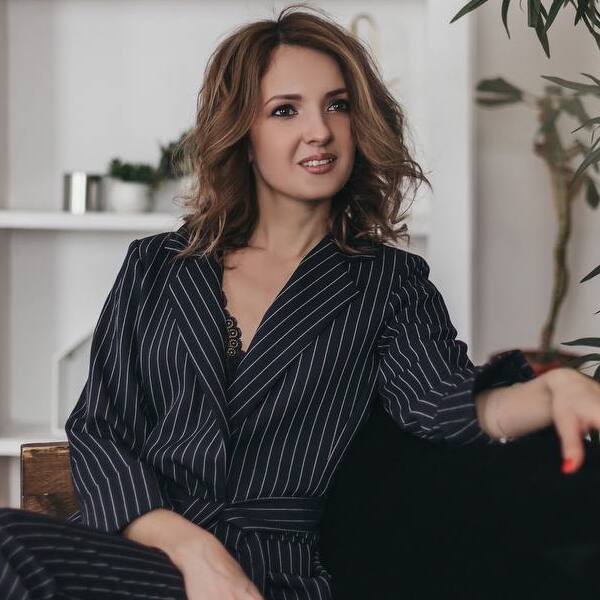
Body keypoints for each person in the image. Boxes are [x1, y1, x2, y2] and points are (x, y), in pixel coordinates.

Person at [1, 3, 600, 600]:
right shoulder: (157, 265)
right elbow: (101, 429)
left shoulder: (389, 283)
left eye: (337, 105)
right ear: (244, 134)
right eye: (285, 110)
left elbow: (442, 406)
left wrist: (550, 391)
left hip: (275, 572)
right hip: (147, 550)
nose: (320, 130)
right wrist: (193, 550)